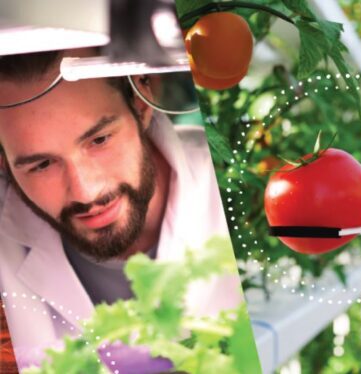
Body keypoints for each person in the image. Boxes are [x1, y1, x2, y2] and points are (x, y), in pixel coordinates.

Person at [0, 48, 241, 369]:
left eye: (99, 140)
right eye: (42, 164)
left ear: (141, 100)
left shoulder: (236, 184)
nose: (86, 192)